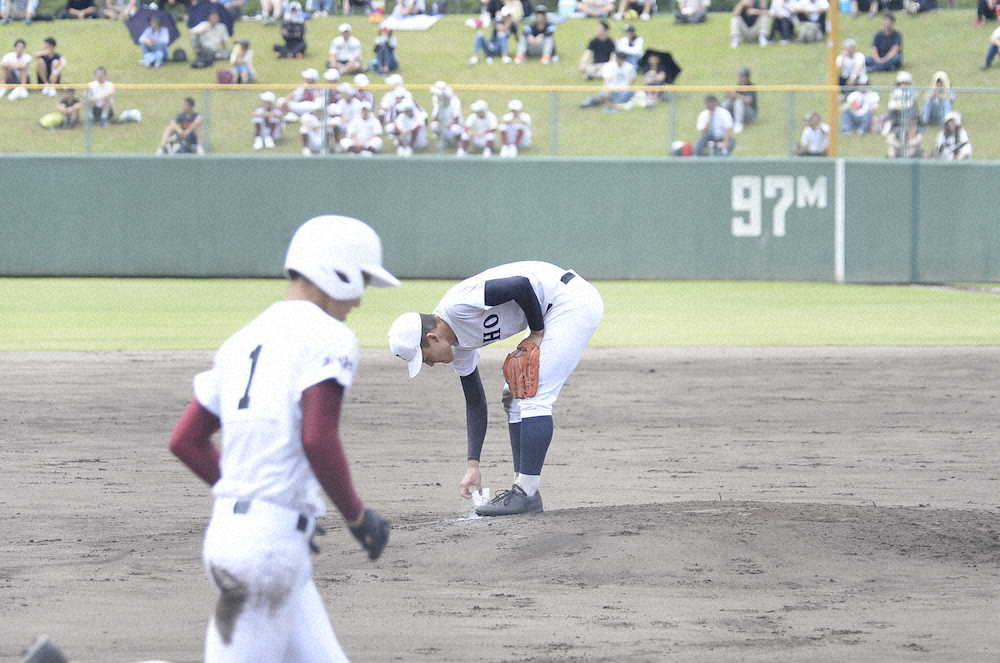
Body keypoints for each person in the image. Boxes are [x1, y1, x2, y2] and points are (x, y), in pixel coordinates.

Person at [168, 215, 396, 663]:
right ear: (338, 271)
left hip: (235, 536)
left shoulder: (243, 339)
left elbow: (186, 440)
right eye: (363, 281)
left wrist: (259, 495)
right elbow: (317, 437)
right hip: (267, 551)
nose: (360, 299)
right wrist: (356, 516)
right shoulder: (329, 335)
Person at [386, 260, 604, 516]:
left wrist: (536, 331)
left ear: (432, 338)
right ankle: (522, 488)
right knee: (512, 395)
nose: (430, 364)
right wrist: (472, 465)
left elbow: (519, 285)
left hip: (569, 301)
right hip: (552, 308)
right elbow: (475, 402)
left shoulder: (458, 307)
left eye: (425, 357)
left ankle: (527, 494)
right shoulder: (458, 347)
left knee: (534, 394)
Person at [721, 67, 756, 134]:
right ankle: (723, 121)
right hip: (740, 113)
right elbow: (734, 97)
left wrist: (735, 95)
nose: (739, 78)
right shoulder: (739, 86)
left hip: (750, 115)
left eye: (741, 76)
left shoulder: (751, 86)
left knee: (739, 102)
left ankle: (738, 124)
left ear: (746, 77)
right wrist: (729, 95)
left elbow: (749, 100)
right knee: (727, 102)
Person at [430, 80, 462, 148]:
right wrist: (439, 123)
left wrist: (447, 125)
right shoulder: (436, 99)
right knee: (434, 126)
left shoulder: (455, 101)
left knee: (455, 129)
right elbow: (434, 117)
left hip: (452, 125)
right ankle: (442, 141)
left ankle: (457, 143)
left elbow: (456, 119)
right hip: (442, 124)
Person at [885, 69, 915, 134]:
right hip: (896, 109)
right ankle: (887, 128)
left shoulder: (911, 91)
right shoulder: (896, 91)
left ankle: (909, 130)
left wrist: (903, 106)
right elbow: (891, 103)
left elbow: (911, 103)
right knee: (891, 114)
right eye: (902, 83)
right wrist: (896, 106)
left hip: (907, 109)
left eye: (906, 83)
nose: (904, 85)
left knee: (912, 114)